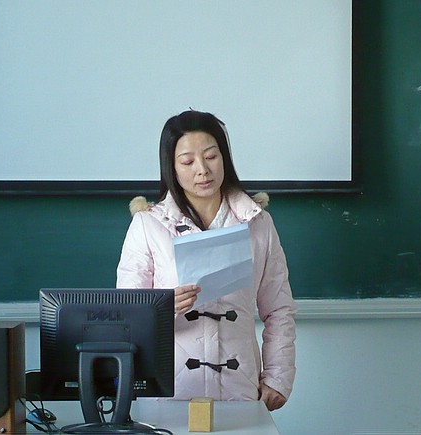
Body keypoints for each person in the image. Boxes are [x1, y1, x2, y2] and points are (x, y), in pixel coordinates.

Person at [116, 110, 296, 411]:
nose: (203, 170)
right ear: (171, 168)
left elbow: (279, 308)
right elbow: (124, 316)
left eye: (211, 156)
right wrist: (161, 307)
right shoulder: (148, 225)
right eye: (188, 162)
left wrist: (279, 378)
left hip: (240, 386)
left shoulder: (257, 223)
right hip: (168, 391)